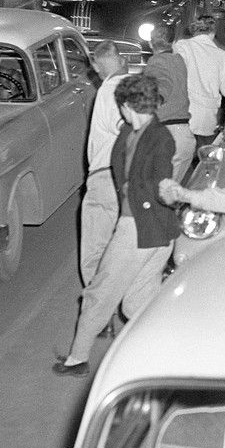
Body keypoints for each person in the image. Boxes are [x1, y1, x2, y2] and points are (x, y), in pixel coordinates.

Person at [54, 75, 177, 377]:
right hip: (153, 229)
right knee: (137, 304)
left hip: (140, 228)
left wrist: (151, 198)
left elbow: (159, 180)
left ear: (125, 105)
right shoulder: (129, 132)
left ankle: (76, 359)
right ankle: (169, 358)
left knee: (99, 293)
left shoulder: (160, 137)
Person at [79, 41, 128, 287]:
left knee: (95, 251)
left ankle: (99, 311)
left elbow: (125, 128)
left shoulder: (109, 91)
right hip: (128, 177)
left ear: (97, 66)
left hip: (105, 176)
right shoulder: (132, 87)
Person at [173, 16, 225, 149]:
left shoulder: (180, 46)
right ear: (213, 33)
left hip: (182, 113)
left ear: (194, 31)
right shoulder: (221, 55)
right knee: (206, 159)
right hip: (206, 118)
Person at [144, 23, 194, 180]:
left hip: (167, 135)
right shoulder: (179, 61)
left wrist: (155, 99)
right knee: (168, 195)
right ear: (173, 43)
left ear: (150, 43)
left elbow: (162, 83)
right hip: (184, 135)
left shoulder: (155, 62)